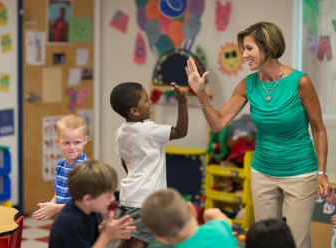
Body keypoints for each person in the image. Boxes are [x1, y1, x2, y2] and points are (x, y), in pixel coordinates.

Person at [186, 21, 329, 248]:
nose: (244, 55)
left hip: (300, 171)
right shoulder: (248, 84)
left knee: (297, 242)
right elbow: (218, 123)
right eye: (244, 49)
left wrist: (322, 172)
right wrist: (201, 94)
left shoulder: (300, 82)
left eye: (249, 48)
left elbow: (319, 129)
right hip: (262, 171)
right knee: (265, 241)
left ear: (268, 48)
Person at [110, 82, 188, 248]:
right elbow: (181, 131)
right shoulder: (149, 130)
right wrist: (182, 103)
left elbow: (125, 162)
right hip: (145, 198)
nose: (150, 102)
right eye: (146, 100)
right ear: (134, 111)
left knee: (126, 239)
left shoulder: (120, 133)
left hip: (128, 195)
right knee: (141, 240)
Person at [48, 159, 136, 248]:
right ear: (88, 200)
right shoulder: (71, 223)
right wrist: (106, 234)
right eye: (108, 196)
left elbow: (88, 233)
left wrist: (107, 229)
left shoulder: (88, 210)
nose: (113, 199)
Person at [33, 114, 88, 221]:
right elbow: (57, 194)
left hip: (81, 221)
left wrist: (54, 208)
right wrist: (50, 206)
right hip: (64, 218)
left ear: (85, 140)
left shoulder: (85, 169)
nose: (72, 147)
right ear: (58, 141)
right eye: (67, 143)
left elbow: (82, 204)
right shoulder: (60, 166)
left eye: (77, 142)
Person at [141, 188, 237, 248]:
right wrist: (208, 215)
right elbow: (215, 213)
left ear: (161, 238)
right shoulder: (219, 230)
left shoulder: (219, 228)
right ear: (192, 209)